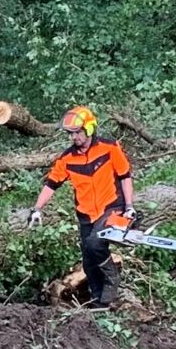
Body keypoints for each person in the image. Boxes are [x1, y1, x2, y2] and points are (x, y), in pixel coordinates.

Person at [27, 105, 135, 307]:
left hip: (111, 206)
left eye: (77, 132)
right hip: (86, 214)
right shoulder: (67, 158)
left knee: (95, 243)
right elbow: (51, 184)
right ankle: (99, 302)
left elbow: (125, 176)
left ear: (89, 129)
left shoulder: (109, 147)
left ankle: (112, 276)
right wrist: (37, 209)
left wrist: (129, 206)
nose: (73, 137)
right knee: (88, 260)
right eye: (71, 134)